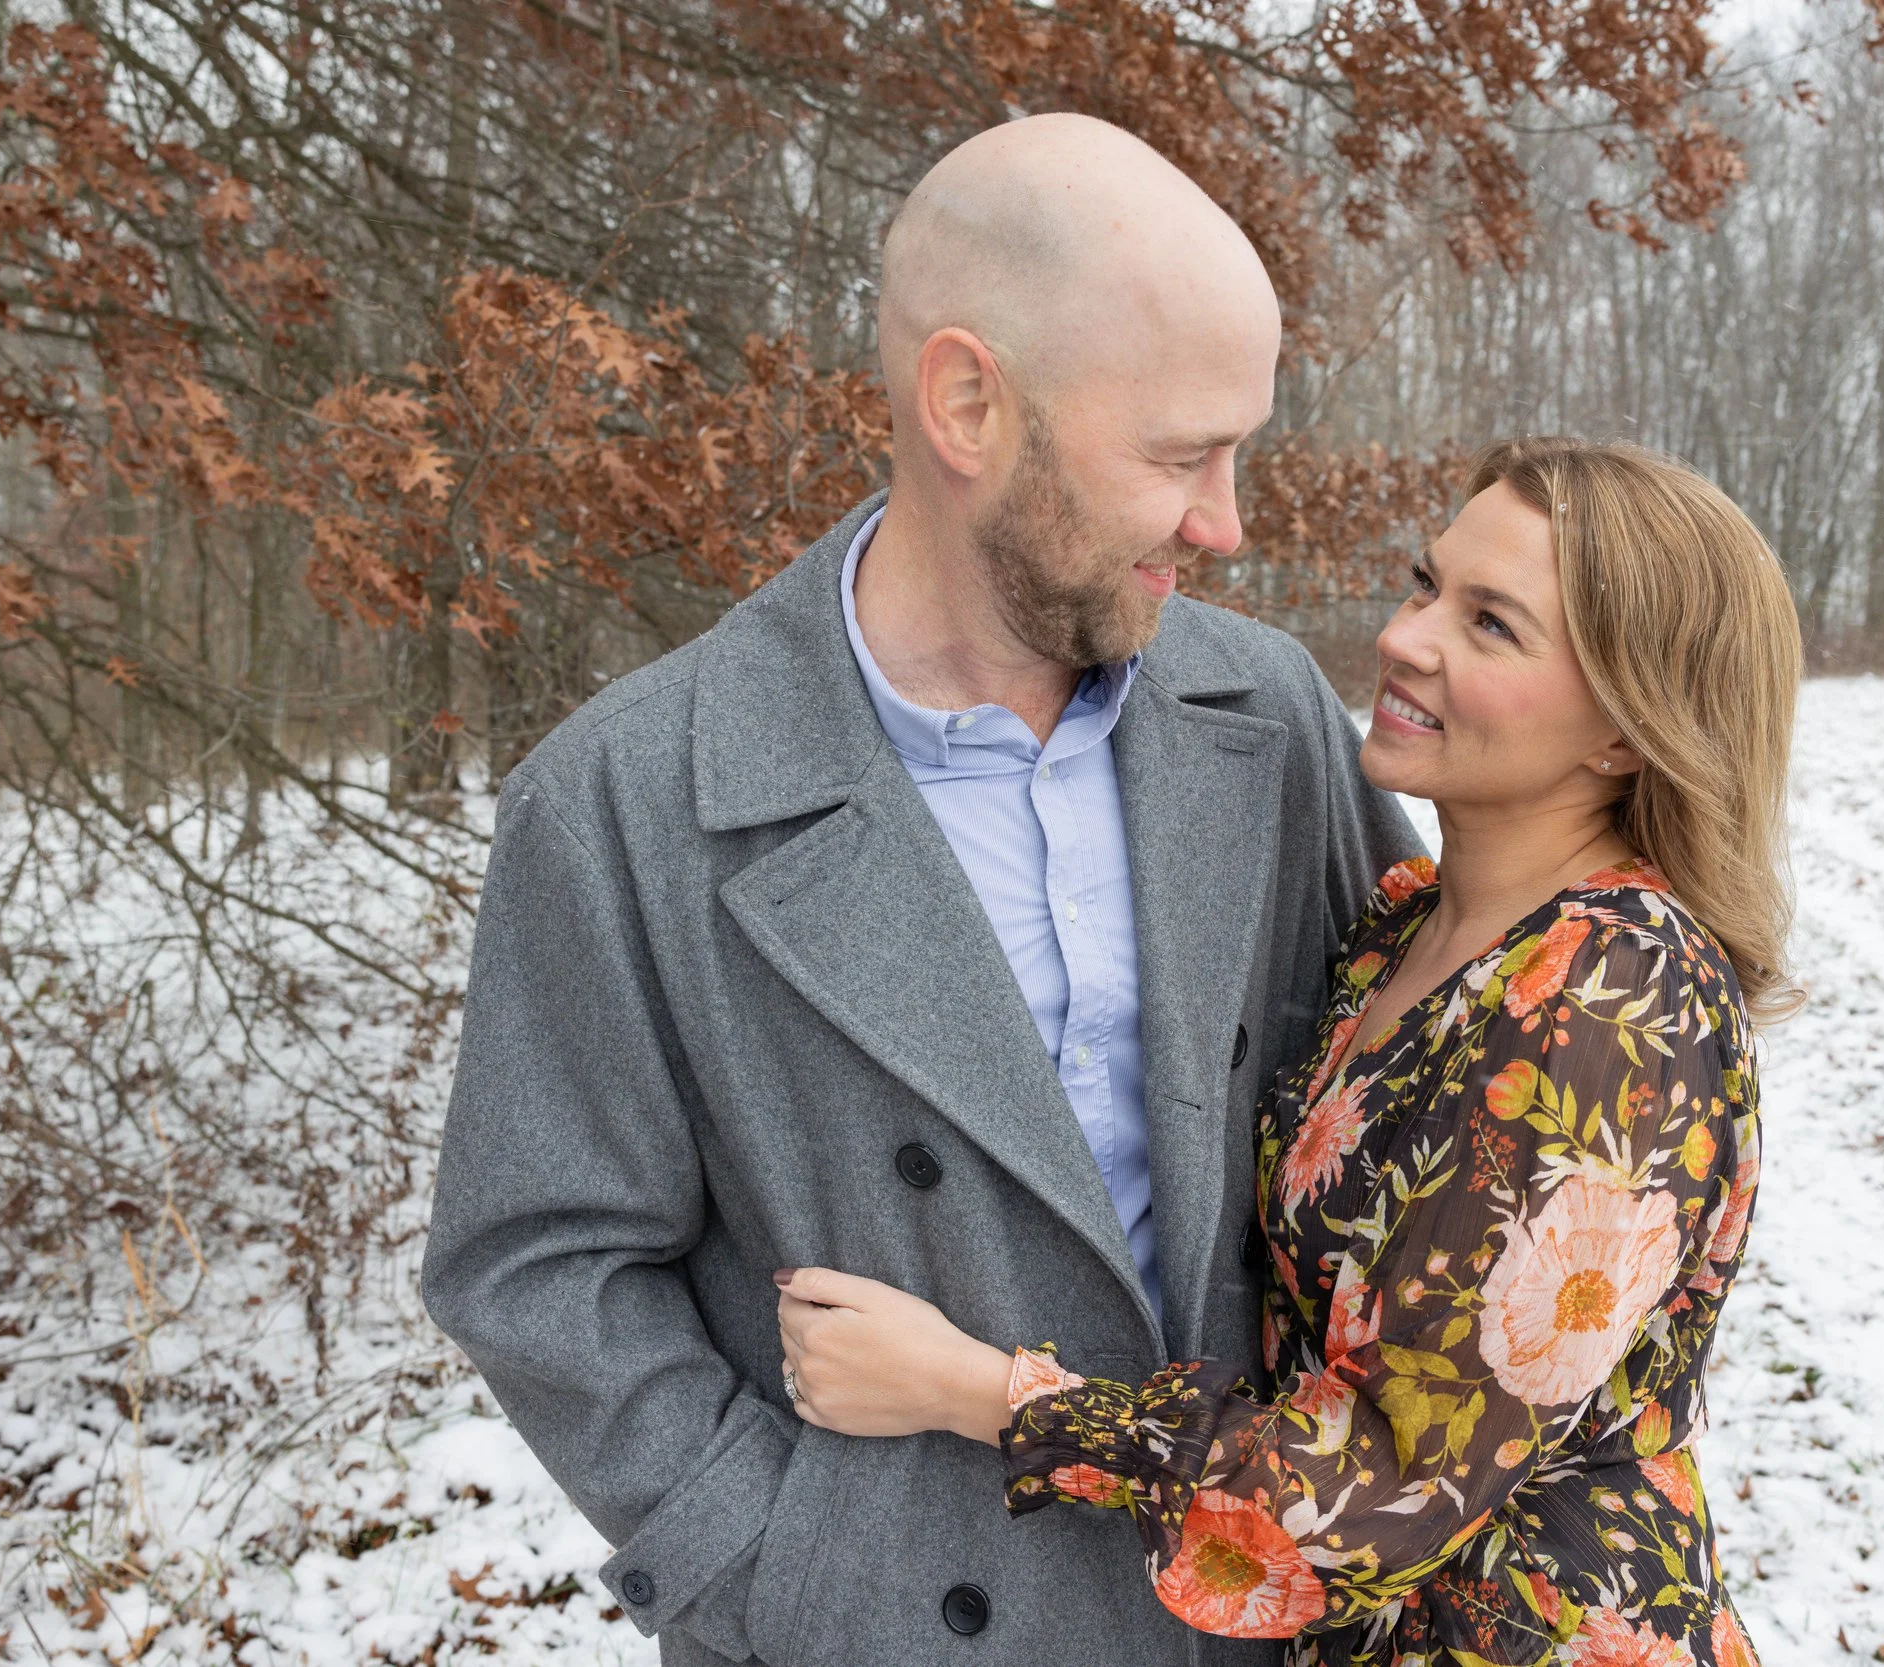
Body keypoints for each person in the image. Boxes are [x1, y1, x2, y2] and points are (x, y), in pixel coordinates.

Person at [419, 114, 1418, 1666]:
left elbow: (1418, 1106)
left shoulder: (1266, 718)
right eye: (1178, 455)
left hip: (1244, 1613)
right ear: (968, 402)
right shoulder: (626, 798)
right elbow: (537, 1264)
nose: (1226, 520)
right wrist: (790, 1563)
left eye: (1239, 451)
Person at [779, 437, 1803, 1667]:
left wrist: (975, 1390)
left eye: (1491, 625)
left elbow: (1371, 1498)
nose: (1406, 638)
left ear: (1626, 733)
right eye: (1426, 585)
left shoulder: (1611, 1003)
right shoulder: (1405, 926)